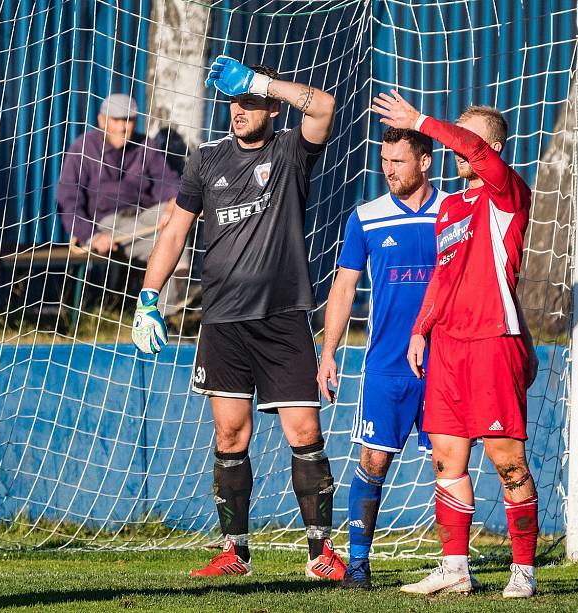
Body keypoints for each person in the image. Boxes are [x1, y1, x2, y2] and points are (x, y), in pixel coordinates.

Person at [130, 56, 345, 580]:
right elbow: (177, 230)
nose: (239, 112)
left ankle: (321, 553)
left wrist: (262, 82)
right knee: (229, 435)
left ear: (271, 107)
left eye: (249, 102)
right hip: (223, 321)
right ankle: (235, 552)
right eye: (233, 103)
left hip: (283, 317)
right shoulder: (206, 160)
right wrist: (148, 297)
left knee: (304, 431)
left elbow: (324, 108)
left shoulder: (290, 151)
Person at [372, 91, 539, 598]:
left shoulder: (507, 193)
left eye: (466, 138)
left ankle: (524, 571)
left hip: (493, 341)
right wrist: (422, 329)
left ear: (488, 147)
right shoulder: (451, 208)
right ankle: (455, 569)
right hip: (447, 345)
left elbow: (473, 148)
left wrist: (422, 120)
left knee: (507, 460)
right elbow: (441, 279)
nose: (456, 148)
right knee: (446, 458)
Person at [317, 128, 448, 589]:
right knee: (373, 462)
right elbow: (344, 287)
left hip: (444, 366)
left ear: (426, 162)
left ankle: (454, 568)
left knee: (448, 466)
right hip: (386, 369)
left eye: (398, 161)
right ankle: (357, 564)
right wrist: (328, 353)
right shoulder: (366, 217)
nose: (388, 169)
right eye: (384, 160)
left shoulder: (452, 213)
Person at [56, 93, 188, 315]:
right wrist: (91, 235)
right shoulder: (83, 148)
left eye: (128, 120)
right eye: (116, 120)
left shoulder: (146, 145)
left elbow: (168, 182)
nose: (123, 127)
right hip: (109, 224)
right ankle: (170, 307)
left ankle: (180, 284)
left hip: (146, 215)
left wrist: (173, 204)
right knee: (164, 244)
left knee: (182, 217)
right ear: (102, 120)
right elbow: (68, 200)